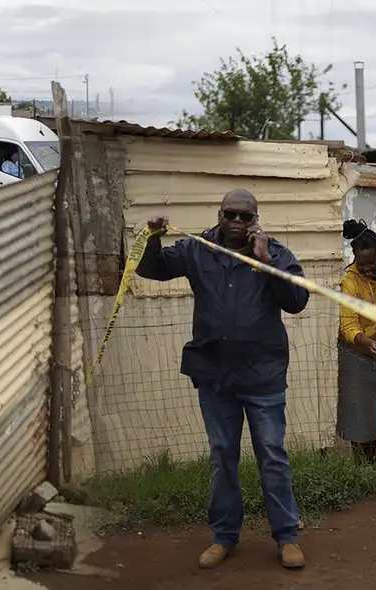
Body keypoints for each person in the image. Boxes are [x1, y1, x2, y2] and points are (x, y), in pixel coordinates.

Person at [137, 188, 309, 571]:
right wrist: (152, 237)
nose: (236, 222)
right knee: (221, 458)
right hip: (216, 377)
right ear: (219, 214)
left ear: (255, 219)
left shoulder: (275, 253)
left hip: (263, 375)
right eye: (230, 214)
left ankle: (286, 537)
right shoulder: (197, 248)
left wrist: (265, 262)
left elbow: (297, 302)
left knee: (273, 456)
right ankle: (224, 538)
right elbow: (150, 270)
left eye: (244, 216)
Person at [336, 219, 376, 462]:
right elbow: (348, 322)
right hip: (356, 349)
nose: (366, 268)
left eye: (371, 262)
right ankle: (363, 463)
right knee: (359, 407)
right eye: (361, 263)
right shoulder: (350, 280)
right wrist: (363, 341)